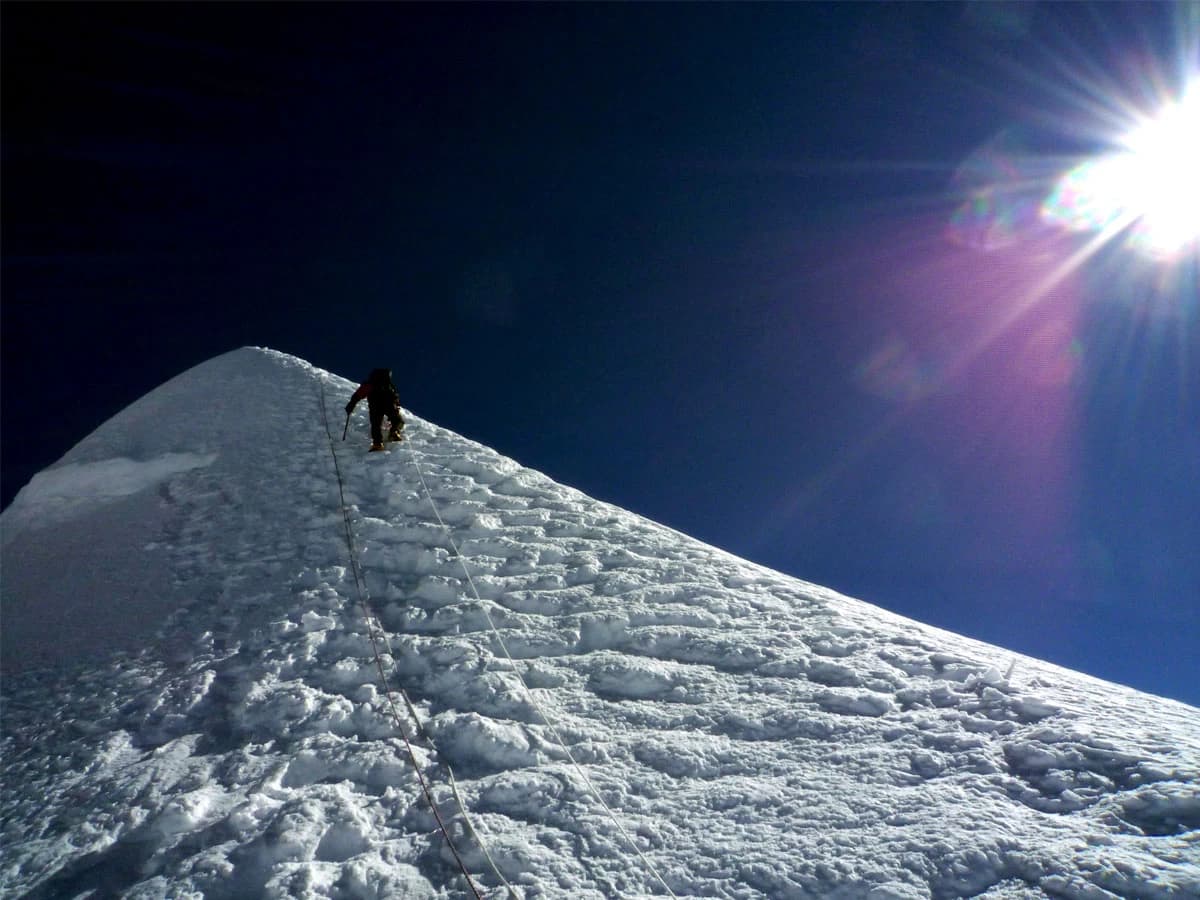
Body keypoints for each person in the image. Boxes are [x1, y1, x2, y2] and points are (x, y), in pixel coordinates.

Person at [346, 368, 405, 451]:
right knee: (397, 420)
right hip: (389, 404)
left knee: (376, 424)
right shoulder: (389, 386)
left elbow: (358, 395)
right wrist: (397, 405)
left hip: (375, 406)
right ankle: (393, 432)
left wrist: (351, 405)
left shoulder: (370, 384)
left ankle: (377, 443)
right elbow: (395, 397)